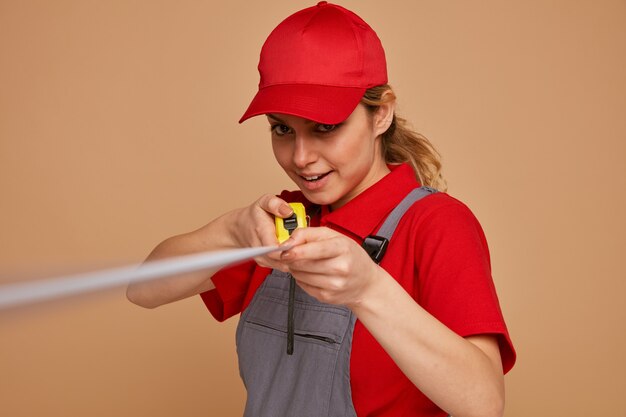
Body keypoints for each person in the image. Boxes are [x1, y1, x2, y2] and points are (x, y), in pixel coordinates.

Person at [126, 2, 516, 416]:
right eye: (282, 129)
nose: (301, 157)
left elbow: (484, 403)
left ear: (380, 114)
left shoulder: (436, 223)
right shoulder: (284, 219)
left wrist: (369, 290)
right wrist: (231, 230)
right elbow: (144, 291)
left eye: (325, 128)